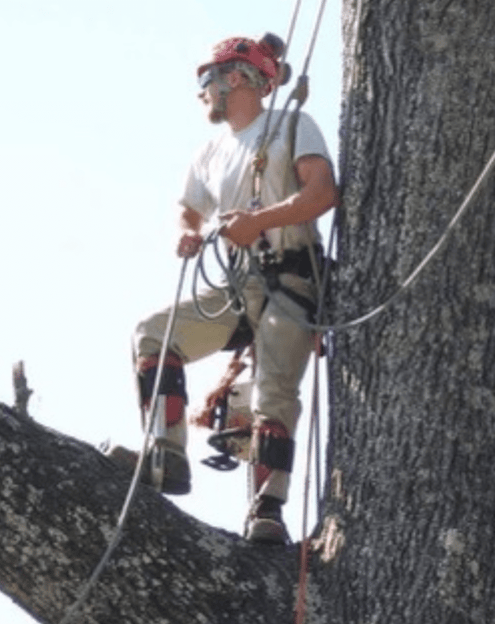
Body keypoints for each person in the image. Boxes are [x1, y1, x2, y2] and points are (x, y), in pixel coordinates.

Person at [109, 33, 340, 544]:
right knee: (153, 335)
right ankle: (165, 455)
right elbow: (187, 208)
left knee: (274, 391)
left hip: (291, 280)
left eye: (206, 82)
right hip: (237, 284)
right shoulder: (209, 153)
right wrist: (185, 231)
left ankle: (268, 509)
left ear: (235, 78)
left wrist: (259, 220)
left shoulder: (292, 127)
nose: (202, 94)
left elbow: (321, 192)